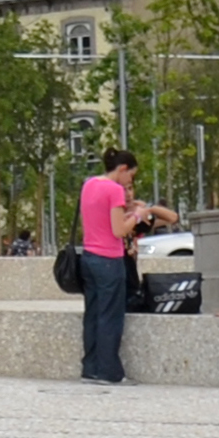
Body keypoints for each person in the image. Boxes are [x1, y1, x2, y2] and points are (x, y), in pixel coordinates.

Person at [75, 149, 169, 385]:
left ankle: (91, 367)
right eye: (131, 176)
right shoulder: (114, 190)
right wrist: (137, 216)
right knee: (110, 316)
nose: (130, 182)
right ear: (123, 169)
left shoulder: (89, 184)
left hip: (88, 256)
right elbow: (119, 230)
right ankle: (110, 371)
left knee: (93, 314)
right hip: (109, 258)